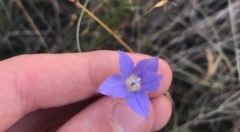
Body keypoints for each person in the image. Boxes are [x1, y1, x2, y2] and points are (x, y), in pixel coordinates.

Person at [0, 50, 172, 132]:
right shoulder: (119, 79)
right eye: (132, 81)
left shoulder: (143, 87)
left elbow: (153, 77)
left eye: (134, 82)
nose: (133, 82)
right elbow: (109, 87)